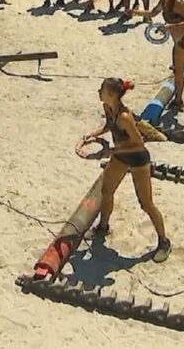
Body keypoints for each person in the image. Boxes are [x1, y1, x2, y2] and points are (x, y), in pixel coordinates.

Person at [75, 78, 171, 263]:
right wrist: (92, 134)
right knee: (106, 192)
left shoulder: (125, 117)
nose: (99, 91)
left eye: (102, 90)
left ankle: (164, 242)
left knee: (146, 204)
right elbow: (109, 126)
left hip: (137, 158)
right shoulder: (108, 107)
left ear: (111, 94)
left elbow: (139, 144)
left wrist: (111, 151)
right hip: (120, 155)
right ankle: (103, 227)